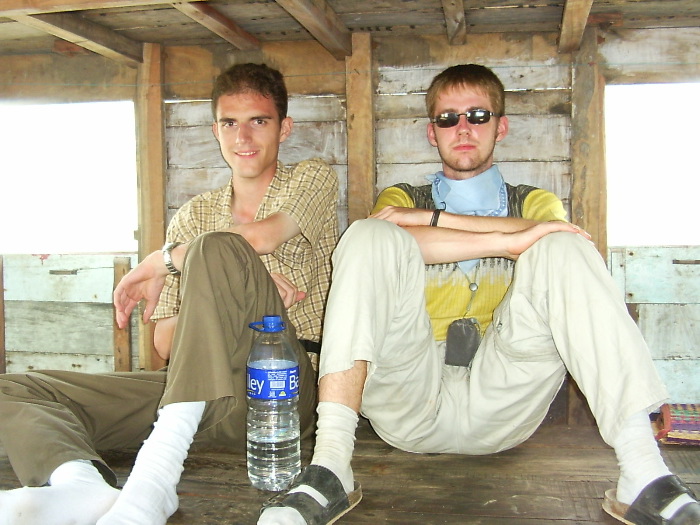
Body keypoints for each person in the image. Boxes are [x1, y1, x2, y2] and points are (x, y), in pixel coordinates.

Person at [258, 64, 700, 525]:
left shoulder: (534, 202)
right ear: (433, 133)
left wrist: (433, 222)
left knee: (564, 245)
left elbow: (552, 233)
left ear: (500, 126)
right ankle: (330, 466)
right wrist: (508, 241)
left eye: (477, 115)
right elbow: (393, 241)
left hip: (503, 399)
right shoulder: (402, 196)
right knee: (368, 236)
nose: (463, 129)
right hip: (410, 394)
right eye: (448, 119)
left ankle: (643, 472)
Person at [0, 62, 339, 525]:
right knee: (15, 387)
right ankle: (78, 485)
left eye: (259, 121)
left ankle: (154, 480)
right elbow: (162, 344)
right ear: (215, 130)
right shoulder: (194, 215)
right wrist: (220, 294)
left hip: (280, 394)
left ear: (284, 128)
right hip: (196, 396)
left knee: (218, 248)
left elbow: (261, 238)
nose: (243, 137)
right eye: (229, 123)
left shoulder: (313, 179)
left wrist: (171, 259)